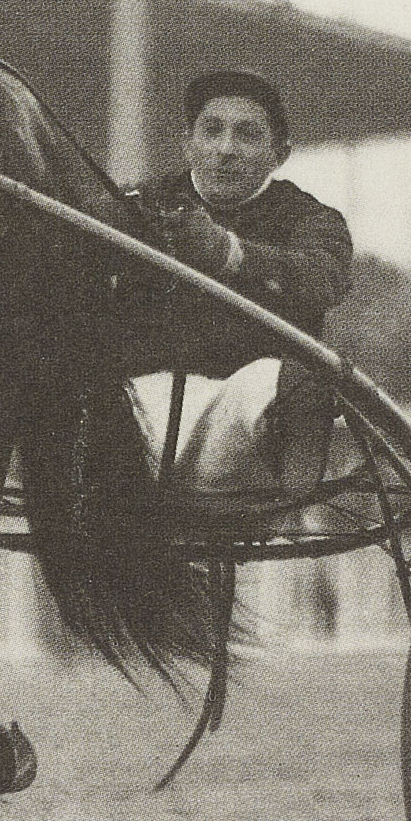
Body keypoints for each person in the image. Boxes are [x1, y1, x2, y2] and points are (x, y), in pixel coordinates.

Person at [112, 68, 354, 510]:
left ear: (279, 155)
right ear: (188, 144)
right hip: (145, 403)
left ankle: (278, 501)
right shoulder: (138, 204)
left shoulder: (313, 218)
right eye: (211, 131)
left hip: (245, 416)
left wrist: (231, 254)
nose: (225, 150)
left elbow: (325, 277)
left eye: (246, 135)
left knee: (298, 380)